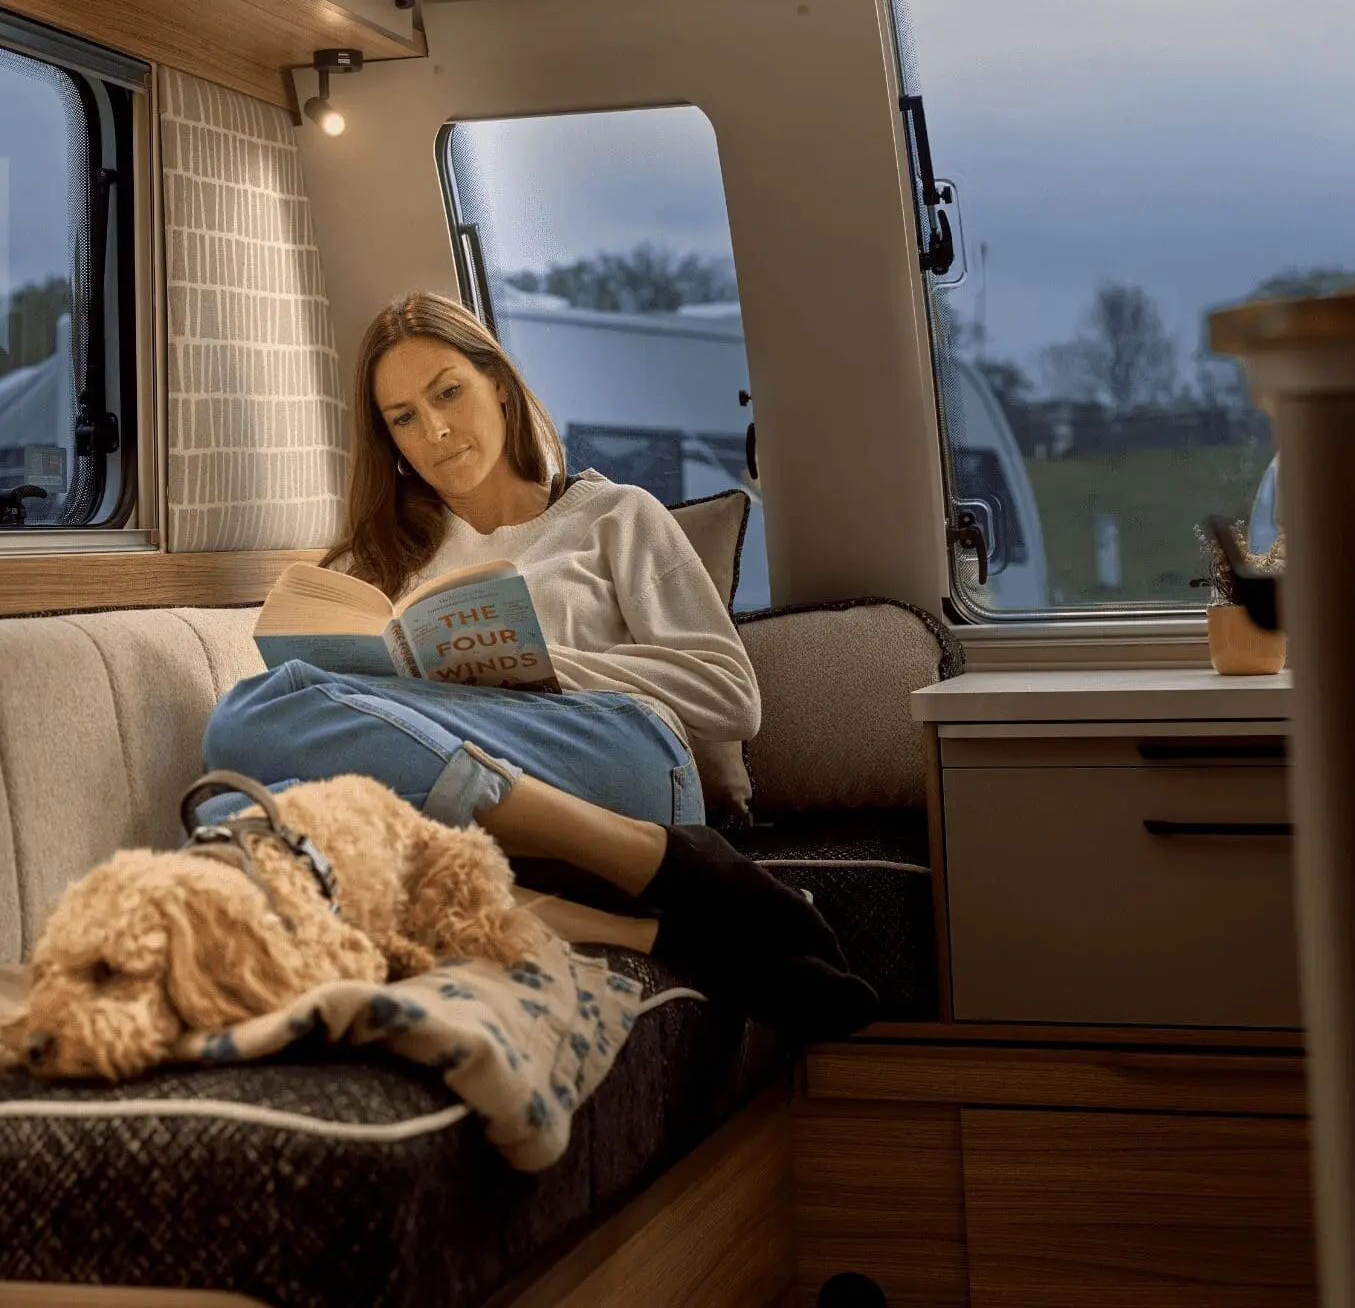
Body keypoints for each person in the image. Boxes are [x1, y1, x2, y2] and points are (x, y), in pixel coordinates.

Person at [201, 291, 874, 1039]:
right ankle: (659, 916)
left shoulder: (614, 516)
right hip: (480, 835)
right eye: (404, 418)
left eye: (447, 392)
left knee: (259, 749)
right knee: (233, 790)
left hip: (610, 762)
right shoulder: (380, 561)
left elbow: (731, 696)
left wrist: (544, 663)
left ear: (497, 381)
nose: (436, 431)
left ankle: (649, 853)